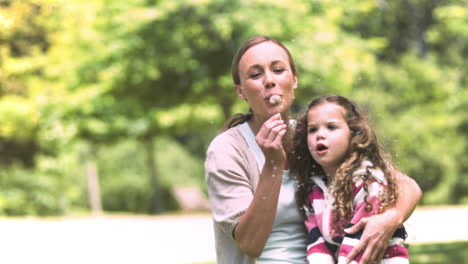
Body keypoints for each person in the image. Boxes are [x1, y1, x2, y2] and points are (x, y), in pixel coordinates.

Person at [204, 36, 421, 264]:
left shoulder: (312, 137)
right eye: (256, 74)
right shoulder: (227, 149)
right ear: (241, 91)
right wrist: (274, 164)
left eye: (278, 70)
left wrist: (390, 218)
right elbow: (251, 243)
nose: (269, 80)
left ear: (294, 80)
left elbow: (407, 187)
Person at [290, 95, 410, 264]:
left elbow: (359, 245)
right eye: (313, 129)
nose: (320, 135)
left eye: (331, 127)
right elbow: (317, 242)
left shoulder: (367, 180)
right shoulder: (313, 190)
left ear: (353, 134)